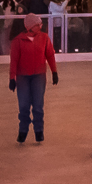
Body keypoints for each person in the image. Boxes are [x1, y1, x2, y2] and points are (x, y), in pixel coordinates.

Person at [9, 14, 58, 144]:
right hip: (22, 77)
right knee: (24, 105)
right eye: (38, 25)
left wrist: (54, 72)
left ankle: (39, 130)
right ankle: (23, 130)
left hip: (39, 75)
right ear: (30, 26)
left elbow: (50, 55)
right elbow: (13, 61)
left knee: (38, 105)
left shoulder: (44, 38)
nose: (40, 26)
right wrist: (12, 78)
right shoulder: (18, 41)